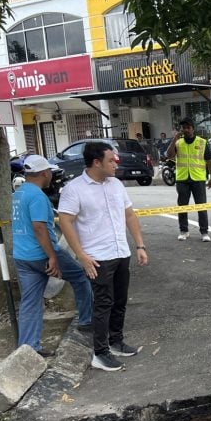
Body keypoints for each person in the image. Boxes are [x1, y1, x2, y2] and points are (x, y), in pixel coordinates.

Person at [57, 142, 149, 371]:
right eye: (111, 160)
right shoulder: (74, 189)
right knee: (103, 304)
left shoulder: (116, 184)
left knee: (119, 300)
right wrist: (81, 256)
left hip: (120, 252)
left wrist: (139, 245)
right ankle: (100, 353)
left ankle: (116, 341)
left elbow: (129, 215)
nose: (116, 163)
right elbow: (66, 222)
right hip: (97, 257)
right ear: (96, 162)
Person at [11, 155, 93, 356]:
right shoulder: (38, 196)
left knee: (30, 301)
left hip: (22, 257)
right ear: (44, 173)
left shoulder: (18, 193)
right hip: (41, 254)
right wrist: (52, 257)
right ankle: (87, 322)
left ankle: (28, 349)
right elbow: (39, 228)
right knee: (81, 276)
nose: (51, 175)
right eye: (49, 172)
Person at [166, 117, 211, 242]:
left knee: (201, 206)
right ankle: (184, 231)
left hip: (198, 178)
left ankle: (204, 232)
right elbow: (169, 155)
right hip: (182, 179)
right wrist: (174, 140)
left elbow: (209, 160)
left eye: (188, 127)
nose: (186, 130)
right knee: (182, 206)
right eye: (183, 128)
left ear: (193, 128)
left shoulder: (202, 142)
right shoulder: (178, 142)